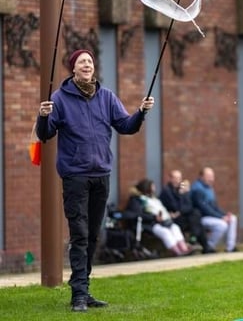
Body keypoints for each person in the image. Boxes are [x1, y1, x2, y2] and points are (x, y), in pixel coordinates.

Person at [36, 49, 154, 312]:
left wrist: (141, 112)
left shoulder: (106, 96)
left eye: (90, 61)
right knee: (79, 234)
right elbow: (45, 134)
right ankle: (78, 294)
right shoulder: (60, 98)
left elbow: (126, 126)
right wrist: (43, 115)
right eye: (82, 62)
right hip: (75, 176)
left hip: (101, 175)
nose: (87, 65)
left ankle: (84, 288)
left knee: (92, 236)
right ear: (73, 69)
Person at [124, 178, 192, 256]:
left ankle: (184, 249)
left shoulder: (154, 199)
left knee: (175, 228)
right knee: (166, 232)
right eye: (152, 186)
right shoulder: (137, 200)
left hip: (164, 222)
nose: (154, 188)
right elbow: (138, 214)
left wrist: (168, 215)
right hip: (150, 224)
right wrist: (153, 217)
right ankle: (177, 251)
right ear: (147, 187)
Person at [159, 170, 215, 253]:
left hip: (182, 215)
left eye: (179, 178)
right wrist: (181, 196)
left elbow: (189, 206)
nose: (178, 180)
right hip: (174, 219)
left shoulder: (182, 189)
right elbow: (174, 206)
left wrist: (180, 211)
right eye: (175, 178)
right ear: (170, 179)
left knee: (196, 213)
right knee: (197, 223)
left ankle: (195, 240)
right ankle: (201, 245)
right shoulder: (167, 191)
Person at [191, 166, 238, 252]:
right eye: (208, 177)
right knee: (222, 225)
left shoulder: (209, 188)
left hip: (211, 216)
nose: (211, 179)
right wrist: (221, 217)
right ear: (201, 177)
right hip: (201, 218)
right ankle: (209, 246)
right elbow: (204, 209)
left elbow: (214, 206)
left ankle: (230, 247)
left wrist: (224, 214)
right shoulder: (197, 189)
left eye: (212, 176)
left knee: (232, 218)